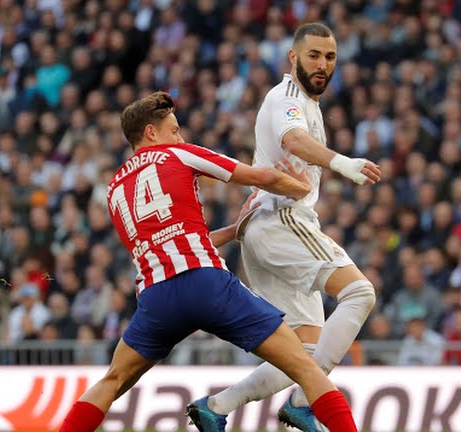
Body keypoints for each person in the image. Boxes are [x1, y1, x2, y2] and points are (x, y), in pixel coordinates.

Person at [58, 91, 358, 432]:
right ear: (151, 134)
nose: (180, 136)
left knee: (112, 380)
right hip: (206, 284)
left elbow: (165, 243)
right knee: (305, 366)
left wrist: (232, 231)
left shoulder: (113, 190)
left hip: (157, 299)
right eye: (174, 129)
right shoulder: (179, 155)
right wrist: (300, 187)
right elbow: (261, 177)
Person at [189, 22, 381, 432]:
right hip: (281, 219)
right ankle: (305, 401)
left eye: (330, 57)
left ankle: (217, 407)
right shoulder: (286, 97)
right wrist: (342, 163)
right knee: (360, 292)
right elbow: (294, 140)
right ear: (293, 57)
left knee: (305, 349)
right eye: (313, 55)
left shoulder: (307, 103)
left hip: (261, 228)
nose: (322, 64)